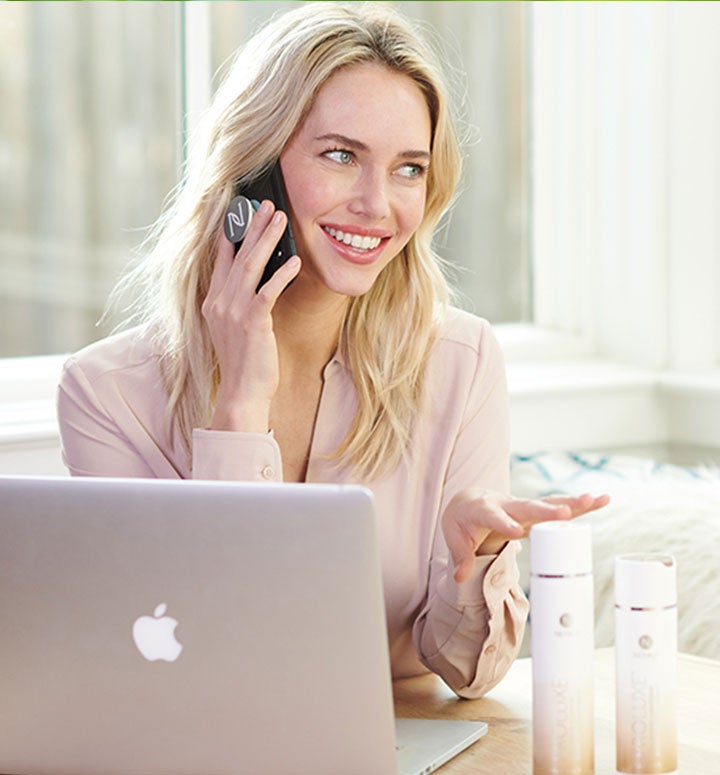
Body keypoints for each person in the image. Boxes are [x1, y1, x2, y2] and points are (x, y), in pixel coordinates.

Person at [57, 2, 608, 698]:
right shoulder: (106, 395)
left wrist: (472, 560)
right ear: (252, 174)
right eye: (341, 155)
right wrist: (240, 406)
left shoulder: (460, 362)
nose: (379, 205)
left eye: (409, 168)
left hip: (403, 748)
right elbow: (206, 665)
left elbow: (470, 673)